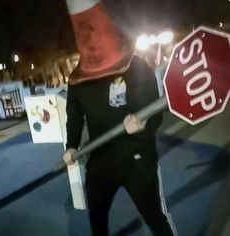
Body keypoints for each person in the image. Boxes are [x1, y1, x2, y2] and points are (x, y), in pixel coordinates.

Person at [63, 0, 177, 235]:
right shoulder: (77, 80)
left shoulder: (137, 67)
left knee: (156, 218)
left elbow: (154, 112)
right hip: (100, 161)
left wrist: (143, 124)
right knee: (97, 220)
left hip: (137, 158)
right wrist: (71, 145)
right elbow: (73, 117)